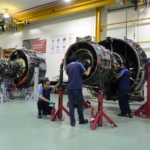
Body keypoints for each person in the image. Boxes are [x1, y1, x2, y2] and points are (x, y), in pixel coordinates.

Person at [66, 55, 91, 126]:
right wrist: (89, 68)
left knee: (71, 105)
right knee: (79, 105)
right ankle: (81, 120)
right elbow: (87, 74)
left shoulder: (67, 66)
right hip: (77, 87)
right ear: (77, 59)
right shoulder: (79, 64)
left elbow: (70, 74)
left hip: (70, 88)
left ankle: (72, 121)